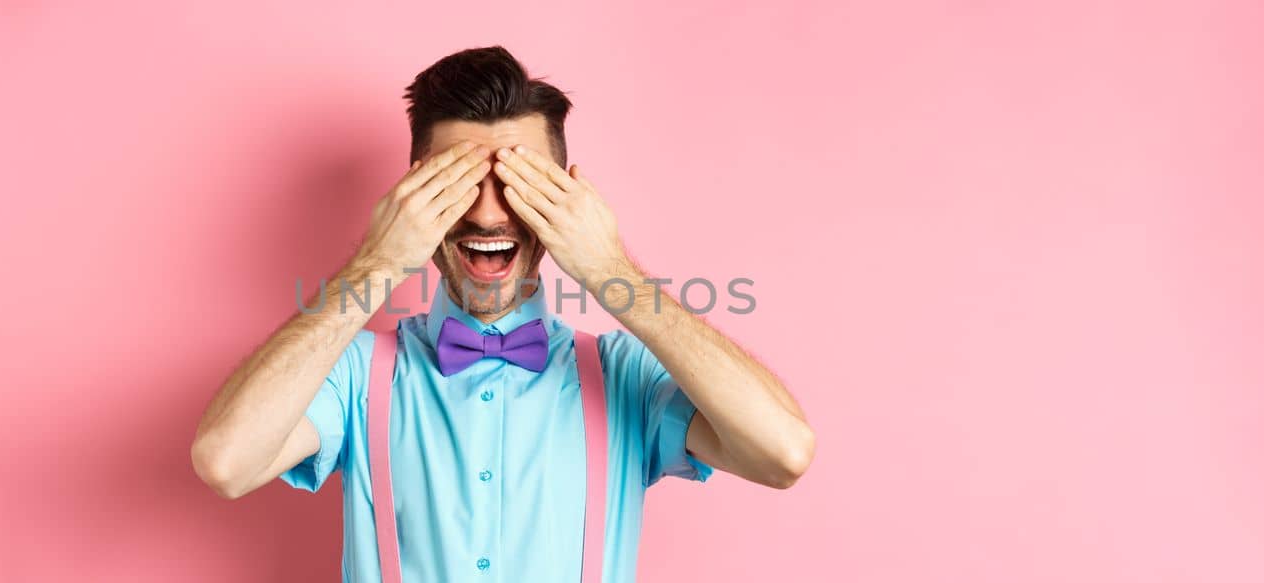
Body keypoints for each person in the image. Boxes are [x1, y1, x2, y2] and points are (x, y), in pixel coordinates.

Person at [191, 45, 815, 582]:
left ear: (565, 198)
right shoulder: (355, 372)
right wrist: (377, 263)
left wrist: (611, 272)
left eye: (520, 183)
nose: (490, 215)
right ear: (415, 194)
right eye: (459, 181)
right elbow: (226, 461)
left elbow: (782, 452)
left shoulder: (623, 375)